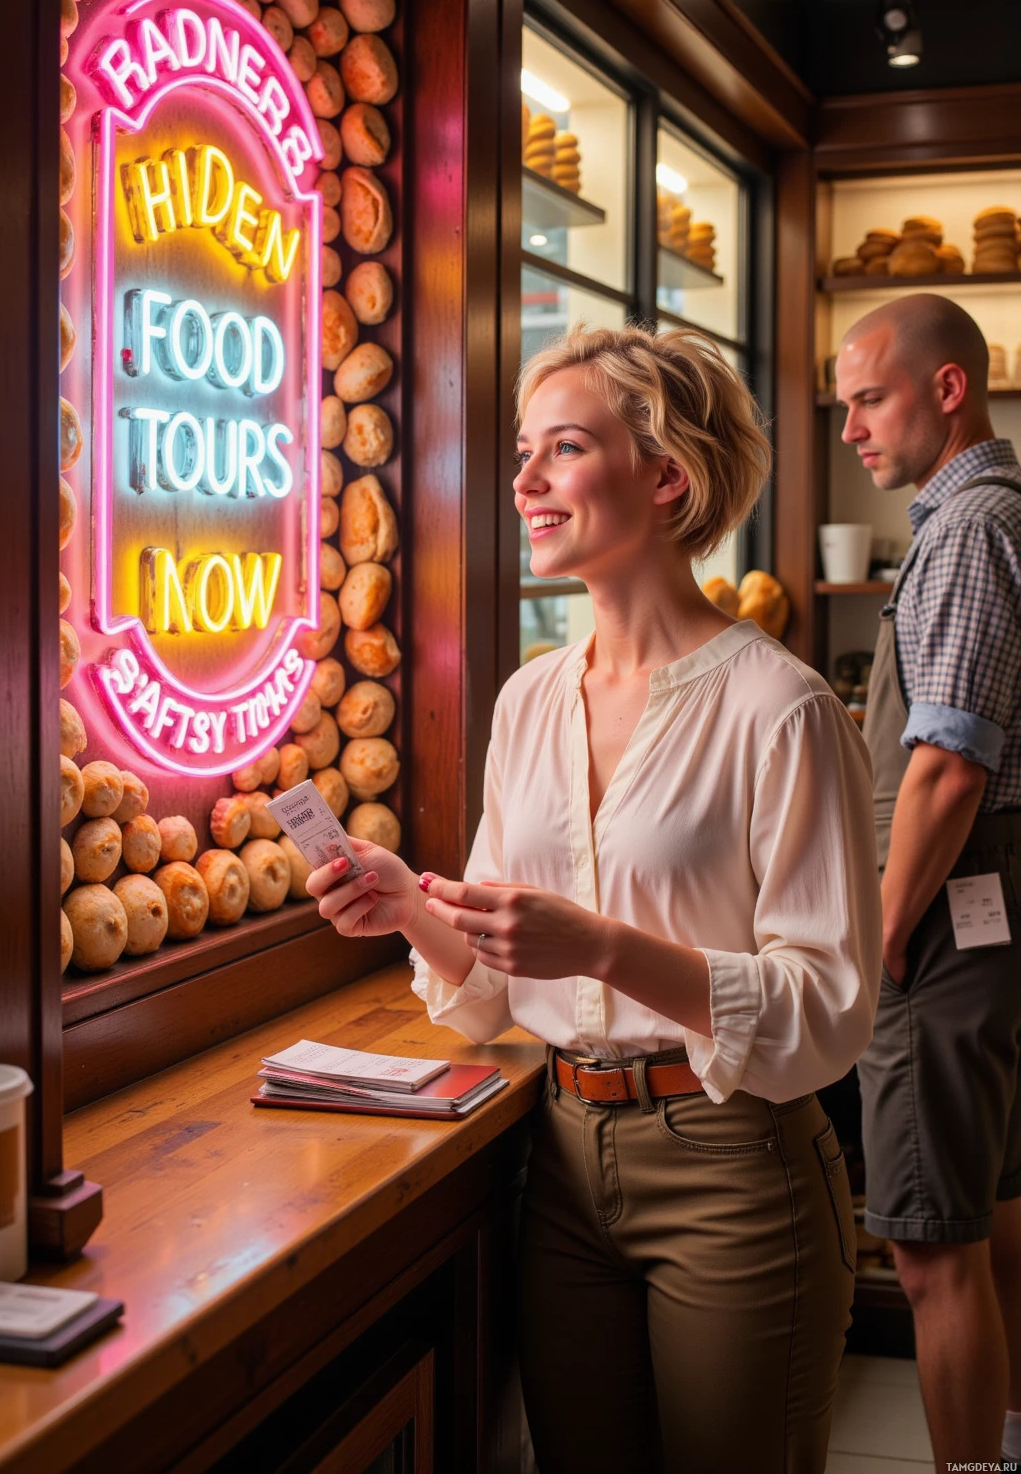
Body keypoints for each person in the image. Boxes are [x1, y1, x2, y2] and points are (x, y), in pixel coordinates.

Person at [308, 324, 882, 1473]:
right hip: (562, 1164)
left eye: (561, 449)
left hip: (736, 1169)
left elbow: (829, 1011)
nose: (521, 480)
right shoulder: (526, 701)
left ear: (666, 477)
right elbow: (500, 986)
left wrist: (607, 948)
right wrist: (414, 911)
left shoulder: (784, 708)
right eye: (523, 450)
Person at [837, 293, 1021, 1474]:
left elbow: (948, 767)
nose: (851, 424)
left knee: (928, 1250)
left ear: (946, 388)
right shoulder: (1001, 512)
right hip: (991, 919)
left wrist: (882, 937)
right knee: (995, 1221)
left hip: (941, 929)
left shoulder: (963, 528)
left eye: (868, 397)